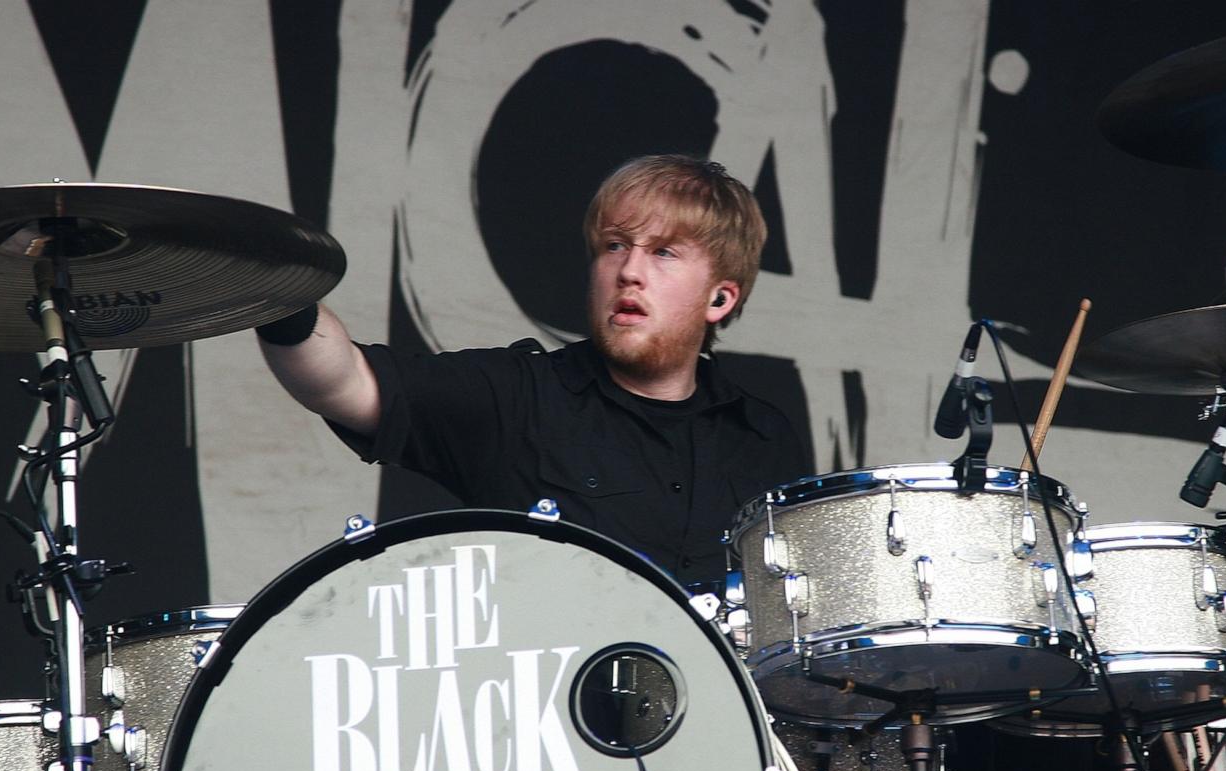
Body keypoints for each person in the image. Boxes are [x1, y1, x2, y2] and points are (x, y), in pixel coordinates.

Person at [256, 154, 810, 580]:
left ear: (720, 299)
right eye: (615, 246)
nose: (629, 271)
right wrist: (271, 284)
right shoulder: (518, 397)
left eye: (663, 252)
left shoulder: (764, 438)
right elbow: (341, 381)